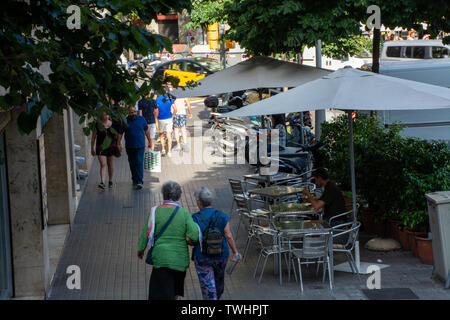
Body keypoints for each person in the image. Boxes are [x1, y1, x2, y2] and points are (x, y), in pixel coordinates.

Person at [137, 181, 199, 300]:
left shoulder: (155, 211)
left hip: (161, 259)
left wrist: (140, 249)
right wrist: (187, 239)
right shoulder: (184, 213)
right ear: (179, 195)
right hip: (180, 260)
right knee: (175, 292)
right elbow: (194, 236)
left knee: (161, 293)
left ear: (163, 194)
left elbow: (146, 232)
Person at [191, 187, 241, 300]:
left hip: (202, 256)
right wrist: (235, 252)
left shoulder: (195, 218)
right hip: (221, 255)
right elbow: (228, 235)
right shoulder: (222, 215)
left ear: (199, 202)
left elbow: (192, 238)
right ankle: (217, 296)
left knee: (208, 285)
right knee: (219, 282)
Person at [118, 105, 152, 189]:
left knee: (139, 162)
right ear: (128, 113)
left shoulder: (141, 119)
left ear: (136, 111)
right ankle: (134, 179)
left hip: (140, 145)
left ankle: (139, 181)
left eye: (134, 112)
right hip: (129, 146)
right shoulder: (125, 121)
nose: (133, 114)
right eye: (131, 112)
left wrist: (150, 141)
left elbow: (146, 131)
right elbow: (120, 133)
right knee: (132, 163)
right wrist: (118, 143)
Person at [90, 113, 121, 189]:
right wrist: (92, 149)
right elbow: (93, 138)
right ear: (101, 116)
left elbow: (117, 136)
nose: (106, 116)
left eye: (107, 114)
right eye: (104, 114)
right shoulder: (97, 125)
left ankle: (110, 180)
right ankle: (102, 182)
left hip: (111, 147)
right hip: (100, 148)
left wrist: (118, 144)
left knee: (110, 164)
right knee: (103, 164)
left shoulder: (113, 124)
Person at [155, 84, 177, 157]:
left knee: (161, 135)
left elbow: (155, 111)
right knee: (169, 135)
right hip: (169, 118)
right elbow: (175, 109)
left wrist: (156, 121)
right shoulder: (170, 98)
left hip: (161, 118)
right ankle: (169, 152)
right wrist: (172, 116)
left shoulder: (157, 99)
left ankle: (163, 149)